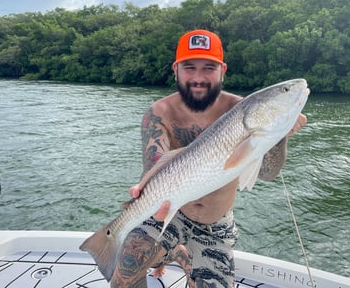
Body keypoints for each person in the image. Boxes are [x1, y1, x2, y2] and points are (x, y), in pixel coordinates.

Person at [113, 29, 307, 288]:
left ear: (222, 69)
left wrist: (280, 135)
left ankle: (178, 253)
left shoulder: (241, 109)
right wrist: (141, 193)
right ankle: (173, 250)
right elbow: (157, 165)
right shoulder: (159, 112)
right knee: (126, 269)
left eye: (209, 68)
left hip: (216, 221)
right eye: (189, 67)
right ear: (176, 69)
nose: (198, 77)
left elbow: (268, 173)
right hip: (173, 211)